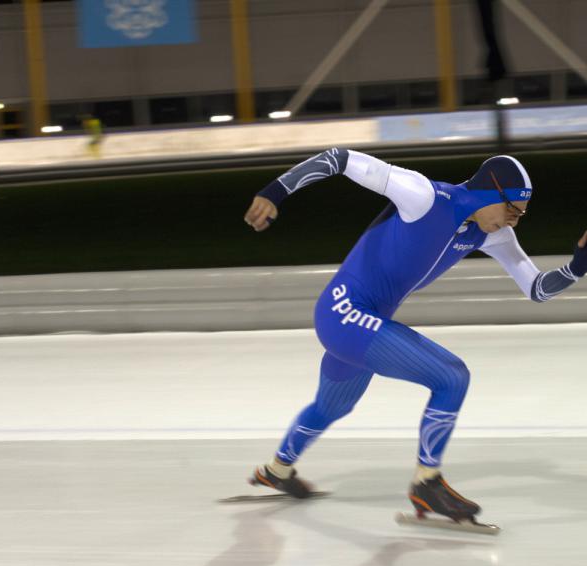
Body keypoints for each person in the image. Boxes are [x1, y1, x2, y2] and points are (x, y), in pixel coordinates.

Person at [243, 148, 587, 523]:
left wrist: (576, 268)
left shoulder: (494, 235)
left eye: (520, 215)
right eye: (512, 210)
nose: (514, 222)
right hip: (344, 312)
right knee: (451, 376)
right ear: (491, 192)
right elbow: (339, 159)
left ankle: (277, 470)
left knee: (333, 407)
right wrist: (275, 191)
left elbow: (535, 288)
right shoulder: (423, 196)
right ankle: (427, 483)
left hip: (360, 322)